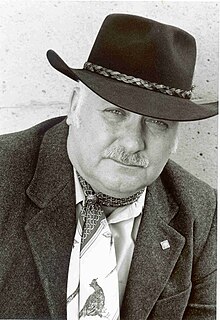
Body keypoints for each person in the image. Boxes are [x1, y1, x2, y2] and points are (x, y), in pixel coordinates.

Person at [0, 13, 217, 320]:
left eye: (157, 123)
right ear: (75, 106)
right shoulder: (4, 172)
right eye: (115, 112)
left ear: (176, 139)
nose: (132, 143)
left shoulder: (201, 213)